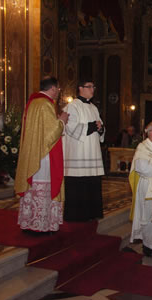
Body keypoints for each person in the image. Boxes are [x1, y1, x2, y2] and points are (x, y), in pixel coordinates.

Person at [15, 77, 69, 232]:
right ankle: (41, 225)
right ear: (52, 88)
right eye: (58, 89)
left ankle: (29, 222)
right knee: (44, 187)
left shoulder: (33, 102)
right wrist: (62, 121)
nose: (58, 91)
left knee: (33, 190)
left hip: (34, 152)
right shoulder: (45, 104)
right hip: (44, 156)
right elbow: (50, 134)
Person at [63, 79, 105, 221]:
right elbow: (70, 127)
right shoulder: (72, 106)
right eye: (89, 86)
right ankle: (76, 215)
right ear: (80, 88)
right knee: (78, 185)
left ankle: (91, 213)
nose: (92, 89)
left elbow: (99, 126)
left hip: (92, 151)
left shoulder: (93, 107)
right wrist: (93, 126)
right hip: (78, 154)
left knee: (92, 182)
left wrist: (101, 128)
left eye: (93, 86)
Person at [129, 122, 152, 257]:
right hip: (148, 188)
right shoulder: (143, 147)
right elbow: (142, 168)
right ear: (151, 133)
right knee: (150, 217)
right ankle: (149, 246)